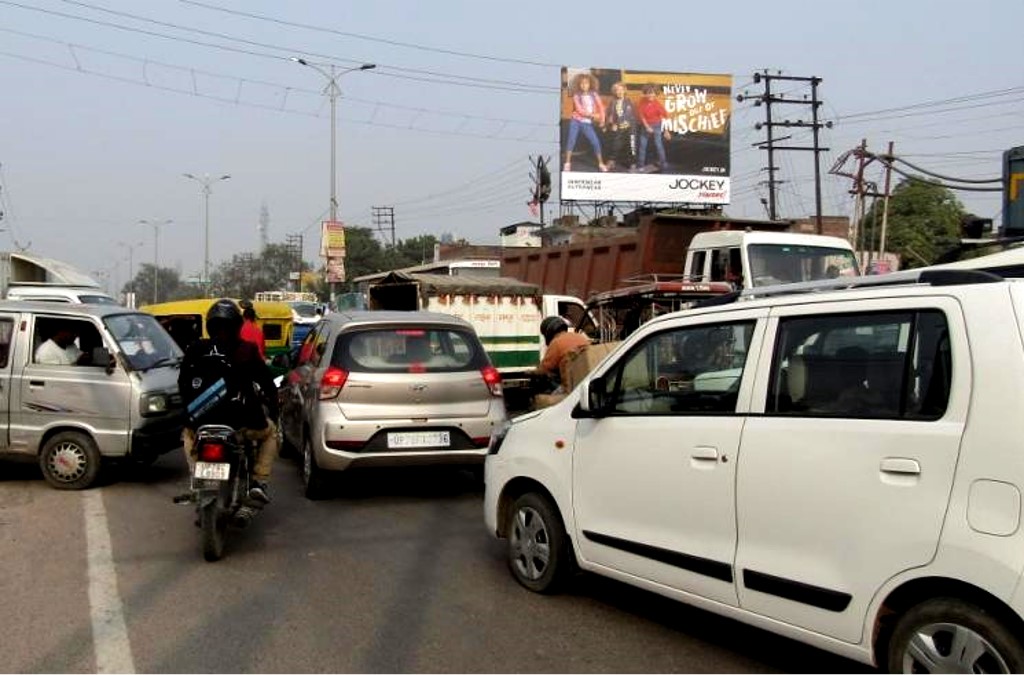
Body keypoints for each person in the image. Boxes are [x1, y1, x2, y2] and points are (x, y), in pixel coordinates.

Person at [179, 299, 280, 509]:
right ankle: (259, 481)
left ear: (210, 325)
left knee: (187, 435)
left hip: (201, 424)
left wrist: (190, 410)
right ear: (237, 325)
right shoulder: (247, 349)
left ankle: (195, 476)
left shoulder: (195, 348)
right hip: (242, 425)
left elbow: (183, 384)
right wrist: (274, 409)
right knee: (272, 433)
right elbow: (267, 384)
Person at [563, 72, 608, 173]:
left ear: (590, 84)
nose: (584, 85)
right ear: (578, 84)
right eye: (582, 83)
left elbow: (601, 107)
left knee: (595, 142)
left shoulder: (594, 94)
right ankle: (567, 163)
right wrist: (594, 115)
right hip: (576, 120)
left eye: (586, 83)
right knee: (571, 140)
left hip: (586, 123)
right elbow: (580, 110)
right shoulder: (576, 95)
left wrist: (602, 120)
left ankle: (601, 163)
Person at [536, 316, 590, 392]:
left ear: (548, 332)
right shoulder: (580, 337)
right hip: (587, 381)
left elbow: (543, 370)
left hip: (570, 386)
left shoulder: (556, 342)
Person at [603, 82, 637, 172]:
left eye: (621, 90)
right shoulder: (613, 102)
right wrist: (607, 124)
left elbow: (627, 115)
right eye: (617, 90)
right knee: (615, 145)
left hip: (630, 127)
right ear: (615, 92)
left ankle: (633, 163)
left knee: (632, 146)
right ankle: (612, 161)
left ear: (625, 91)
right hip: (619, 128)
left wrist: (616, 123)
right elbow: (609, 114)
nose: (619, 92)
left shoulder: (628, 101)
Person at [637, 84, 671, 172]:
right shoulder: (642, 101)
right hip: (645, 126)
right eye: (648, 93)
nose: (650, 95)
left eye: (652, 93)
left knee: (658, 144)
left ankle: (663, 163)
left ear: (656, 94)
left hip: (657, 125)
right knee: (642, 146)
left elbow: (666, 116)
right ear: (645, 93)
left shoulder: (657, 104)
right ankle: (640, 165)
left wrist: (666, 131)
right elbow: (641, 116)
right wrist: (647, 127)